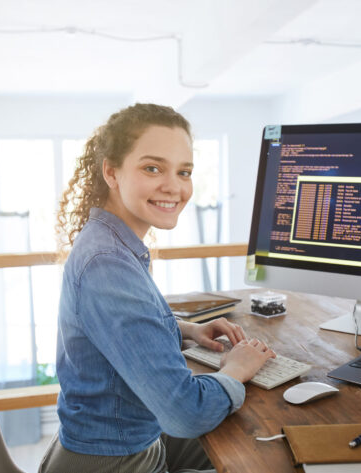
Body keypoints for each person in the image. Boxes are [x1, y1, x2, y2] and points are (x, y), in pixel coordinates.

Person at [40, 103, 276, 473]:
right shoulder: (107, 264)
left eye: (184, 172)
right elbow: (186, 414)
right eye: (153, 168)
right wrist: (235, 369)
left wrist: (185, 329)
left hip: (119, 441)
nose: (174, 186)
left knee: (254, 448)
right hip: (114, 462)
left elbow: (115, 327)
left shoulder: (111, 244)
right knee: (268, 460)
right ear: (111, 172)